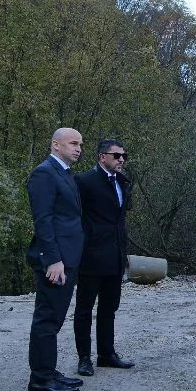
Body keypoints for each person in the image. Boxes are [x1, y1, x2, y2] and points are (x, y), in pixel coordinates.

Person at [25, 127, 85, 391]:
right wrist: (53, 260)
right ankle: (40, 380)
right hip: (56, 260)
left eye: (80, 144)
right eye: (73, 143)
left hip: (68, 257)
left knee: (55, 318)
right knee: (47, 319)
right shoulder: (44, 174)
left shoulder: (64, 173)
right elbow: (43, 220)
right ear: (55, 145)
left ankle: (47, 371)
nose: (78, 148)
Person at [74, 139, 135, 376]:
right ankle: (84, 358)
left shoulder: (123, 181)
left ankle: (106, 354)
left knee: (109, 307)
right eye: (117, 155)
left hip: (116, 255)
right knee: (84, 309)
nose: (121, 159)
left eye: (124, 156)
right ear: (102, 157)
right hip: (90, 255)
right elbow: (73, 214)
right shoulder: (84, 181)